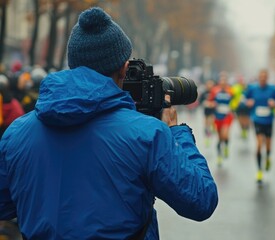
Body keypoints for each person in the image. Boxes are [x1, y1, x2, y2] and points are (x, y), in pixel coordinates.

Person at [0, 7, 218, 240]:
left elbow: (4, 205)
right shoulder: (147, 134)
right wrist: (176, 133)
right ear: (124, 67)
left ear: (74, 63)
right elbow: (200, 199)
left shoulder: (16, 133)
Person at [245, 69, 275, 183]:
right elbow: (244, 98)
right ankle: (259, 170)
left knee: (269, 146)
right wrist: (248, 102)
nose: (263, 78)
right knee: (259, 145)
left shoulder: (273, 89)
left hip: (269, 120)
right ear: (258, 77)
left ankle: (268, 157)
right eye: (261, 76)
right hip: (257, 119)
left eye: (265, 76)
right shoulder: (252, 88)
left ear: (267, 78)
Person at [209, 72, 234, 165]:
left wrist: (232, 107)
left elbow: (235, 101)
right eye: (221, 80)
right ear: (219, 81)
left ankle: (226, 146)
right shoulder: (214, 90)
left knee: (225, 134)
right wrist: (212, 104)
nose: (223, 82)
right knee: (219, 137)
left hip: (227, 116)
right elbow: (210, 101)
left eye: (225, 80)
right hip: (217, 116)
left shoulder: (231, 90)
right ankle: (219, 156)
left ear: (226, 81)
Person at [231, 75, 251, 139]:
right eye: (240, 81)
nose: (242, 82)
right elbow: (232, 96)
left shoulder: (248, 88)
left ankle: (245, 129)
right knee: (240, 119)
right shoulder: (235, 88)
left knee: (246, 119)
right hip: (238, 106)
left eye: (243, 81)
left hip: (246, 106)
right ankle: (242, 129)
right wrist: (233, 105)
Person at [199, 79, 216, 146]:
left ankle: (211, 132)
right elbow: (200, 101)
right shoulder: (204, 93)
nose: (209, 86)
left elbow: (217, 101)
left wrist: (213, 104)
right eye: (208, 84)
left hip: (213, 111)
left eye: (211, 84)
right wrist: (206, 103)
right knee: (206, 125)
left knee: (211, 122)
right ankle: (207, 138)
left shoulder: (215, 92)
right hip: (206, 111)